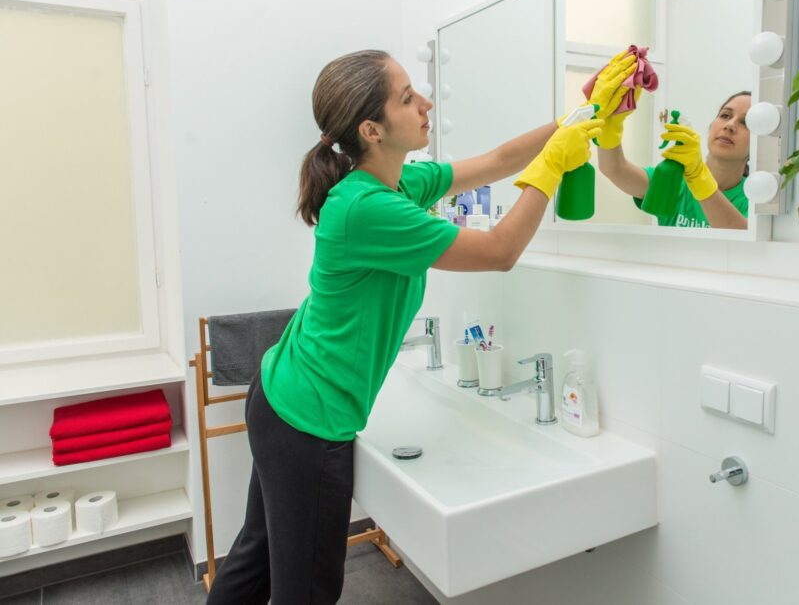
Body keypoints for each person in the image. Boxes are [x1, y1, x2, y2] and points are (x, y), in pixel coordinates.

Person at [204, 48, 636, 604]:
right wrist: (552, 167)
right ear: (372, 129)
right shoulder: (368, 209)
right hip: (307, 422)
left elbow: (500, 158)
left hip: (283, 395)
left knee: (256, 556)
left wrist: (581, 115)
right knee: (306, 591)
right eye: (408, 97)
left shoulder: (398, 184)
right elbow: (501, 251)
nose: (426, 103)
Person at [596, 91, 752, 229]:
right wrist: (609, 127)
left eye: (746, 123)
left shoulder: (755, 196)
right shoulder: (674, 180)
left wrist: (699, 177)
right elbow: (615, 169)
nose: (730, 125)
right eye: (725, 115)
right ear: (711, 127)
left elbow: (742, 238)